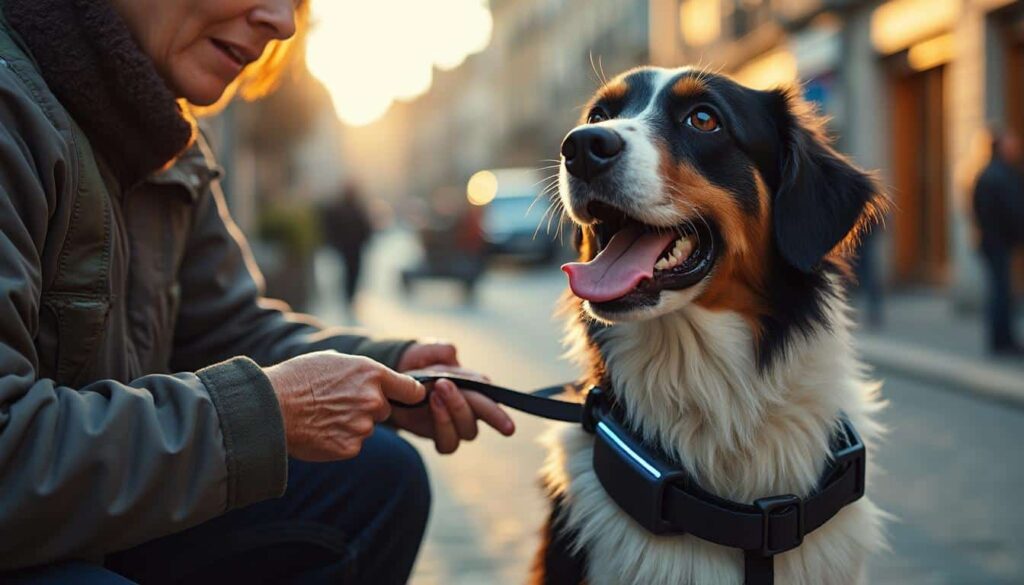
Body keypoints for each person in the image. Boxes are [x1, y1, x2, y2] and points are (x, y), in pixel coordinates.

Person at [0, 1, 515, 583]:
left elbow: (227, 331)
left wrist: (389, 370)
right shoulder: (13, 101)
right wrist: (267, 411)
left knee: (378, 478)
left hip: (86, 517)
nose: (284, 23)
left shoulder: (167, 136)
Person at [973, 129, 1024, 356]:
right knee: (1001, 291)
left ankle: (1001, 339)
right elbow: (1009, 211)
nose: (1016, 149)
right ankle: (1002, 340)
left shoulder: (990, 174)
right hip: (999, 243)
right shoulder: (998, 175)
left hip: (995, 242)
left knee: (1000, 290)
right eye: (1012, 145)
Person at [323, 183, 373, 312]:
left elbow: (366, 227)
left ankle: (350, 295)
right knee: (349, 272)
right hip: (347, 247)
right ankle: (348, 296)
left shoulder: (356, 208)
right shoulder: (344, 208)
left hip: (354, 247)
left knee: (353, 272)